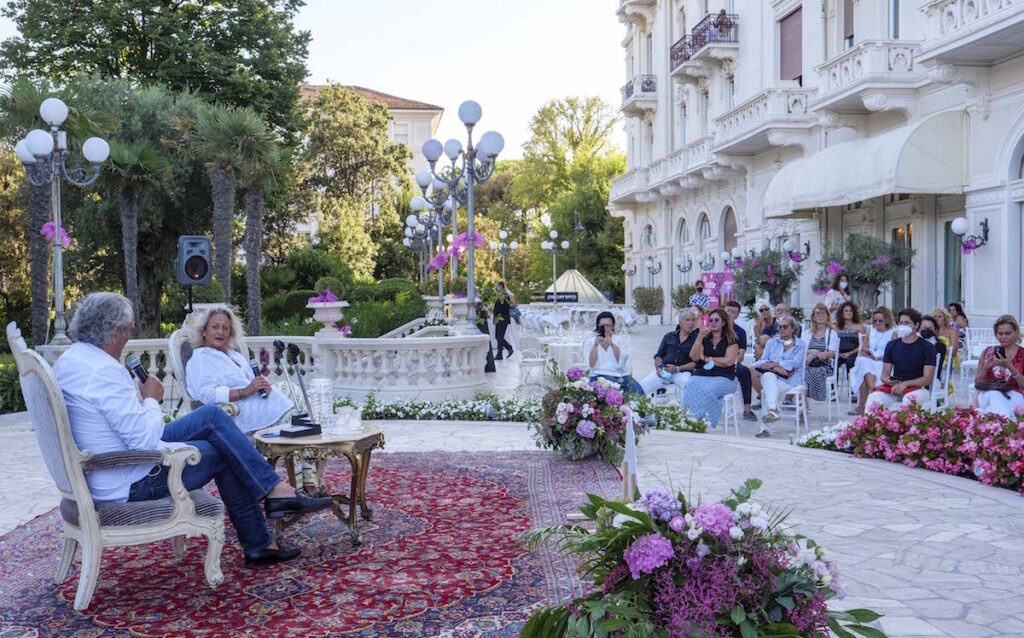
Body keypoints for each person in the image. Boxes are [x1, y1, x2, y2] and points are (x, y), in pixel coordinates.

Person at [54, 292, 331, 566]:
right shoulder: (104, 371)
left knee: (210, 416)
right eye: (127, 331)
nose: (128, 337)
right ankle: (263, 532)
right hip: (130, 477)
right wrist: (151, 399)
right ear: (114, 332)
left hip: (107, 466)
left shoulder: (71, 360)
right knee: (223, 452)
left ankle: (273, 499)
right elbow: (144, 439)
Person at [185, 306, 292, 434]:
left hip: (258, 400)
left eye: (225, 328)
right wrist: (246, 391)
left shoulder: (233, 355)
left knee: (296, 391)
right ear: (204, 331)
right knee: (295, 416)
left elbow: (250, 381)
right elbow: (206, 395)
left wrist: (261, 384)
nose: (220, 332)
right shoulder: (200, 359)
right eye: (215, 327)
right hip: (237, 412)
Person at [864, 308, 936, 411]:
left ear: (916, 325)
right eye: (901, 323)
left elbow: (927, 379)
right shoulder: (892, 345)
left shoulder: (927, 347)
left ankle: (903, 427)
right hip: (895, 388)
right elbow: (884, 375)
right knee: (873, 398)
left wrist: (905, 384)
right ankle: (869, 426)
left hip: (918, 389)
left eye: (907, 323)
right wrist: (888, 381)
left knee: (908, 400)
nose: (903, 325)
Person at [680, 308, 739, 428]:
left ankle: (704, 421)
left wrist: (707, 359)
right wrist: (699, 337)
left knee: (707, 389)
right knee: (690, 384)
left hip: (725, 377)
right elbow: (694, 357)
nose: (713, 322)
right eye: (710, 320)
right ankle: (686, 417)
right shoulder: (704, 338)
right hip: (703, 374)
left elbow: (728, 361)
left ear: (723, 322)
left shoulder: (731, 340)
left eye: (717, 320)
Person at [751, 316, 805, 435]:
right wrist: (775, 367)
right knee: (768, 378)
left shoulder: (800, 344)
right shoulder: (772, 342)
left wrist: (777, 364)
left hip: (791, 380)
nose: (782, 329)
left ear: (793, 329)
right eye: (779, 327)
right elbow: (761, 361)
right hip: (773, 377)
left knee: (768, 390)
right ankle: (772, 410)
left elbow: (796, 363)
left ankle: (766, 427)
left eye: (785, 327)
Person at [638, 308, 699, 396]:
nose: (690, 323)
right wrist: (659, 368)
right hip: (665, 371)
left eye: (693, 320)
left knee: (688, 385)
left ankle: (685, 409)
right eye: (687, 320)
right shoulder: (669, 336)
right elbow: (658, 356)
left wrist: (677, 368)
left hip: (683, 372)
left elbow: (696, 363)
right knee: (642, 386)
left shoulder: (696, 339)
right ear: (680, 322)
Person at [975, 315, 1024, 417]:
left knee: (1004, 407)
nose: (1003, 337)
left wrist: (1010, 366)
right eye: (1000, 333)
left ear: (1016, 332)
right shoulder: (988, 352)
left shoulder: (1022, 354)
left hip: (1013, 394)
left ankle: (998, 426)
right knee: (995, 395)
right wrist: (986, 368)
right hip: (989, 392)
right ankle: (1004, 426)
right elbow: (977, 382)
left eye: (1008, 333)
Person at [849, 307, 896, 415]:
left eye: (880, 320)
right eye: (875, 320)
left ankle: (862, 405)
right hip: (870, 360)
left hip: (884, 362)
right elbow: (864, 347)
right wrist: (866, 352)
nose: (877, 323)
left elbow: (893, 355)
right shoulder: (871, 330)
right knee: (862, 361)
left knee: (864, 369)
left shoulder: (893, 333)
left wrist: (876, 358)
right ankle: (874, 390)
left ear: (887, 320)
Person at [583, 311, 643, 394]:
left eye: (608, 326)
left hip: (619, 374)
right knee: (612, 386)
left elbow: (622, 361)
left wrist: (612, 345)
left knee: (639, 391)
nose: (605, 328)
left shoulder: (619, 341)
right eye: (602, 326)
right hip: (597, 375)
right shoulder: (590, 342)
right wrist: (596, 345)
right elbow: (591, 365)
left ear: (612, 327)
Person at [724, 301, 757, 421]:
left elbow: (741, 356)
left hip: (732, 365)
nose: (730, 314)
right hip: (715, 363)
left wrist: (728, 362)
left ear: (737, 315)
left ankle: (747, 409)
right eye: (728, 311)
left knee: (745, 372)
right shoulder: (714, 327)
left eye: (733, 312)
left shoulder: (740, 332)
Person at [803, 303, 840, 403]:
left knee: (814, 372)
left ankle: (807, 401)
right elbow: (802, 350)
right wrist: (814, 352)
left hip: (824, 364)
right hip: (807, 364)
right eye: (818, 313)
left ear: (827, 316)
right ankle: (804, 403)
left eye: (823, 313)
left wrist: (817, 355)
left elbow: (831, 353)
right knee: (800, 373)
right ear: (813, 317)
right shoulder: (807, 333)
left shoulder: (832, 333)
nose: (820, 316)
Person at [835, 301, 865, 380]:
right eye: (846, 311)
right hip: (839, 353)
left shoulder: (858, 327)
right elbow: (832, 343)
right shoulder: (836, 327)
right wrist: (837, 353)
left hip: (853, 353)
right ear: (842, 313)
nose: (848, 313)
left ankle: (852, 390)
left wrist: (850, 353)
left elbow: (863, 344)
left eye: (851, 311)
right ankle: (834, 390)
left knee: (851, 362)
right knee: (833, 362)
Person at [492, 281, 515, 360]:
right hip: (500, 319)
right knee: (498, 336)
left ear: (501, 287)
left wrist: (496, 310)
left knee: (499, 336)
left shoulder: (504, 296)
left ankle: (509, 348)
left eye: (497, 286)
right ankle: (499, 354)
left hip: (502, 319)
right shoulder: (500, 295)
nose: (497, 288)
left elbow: (504, 307)